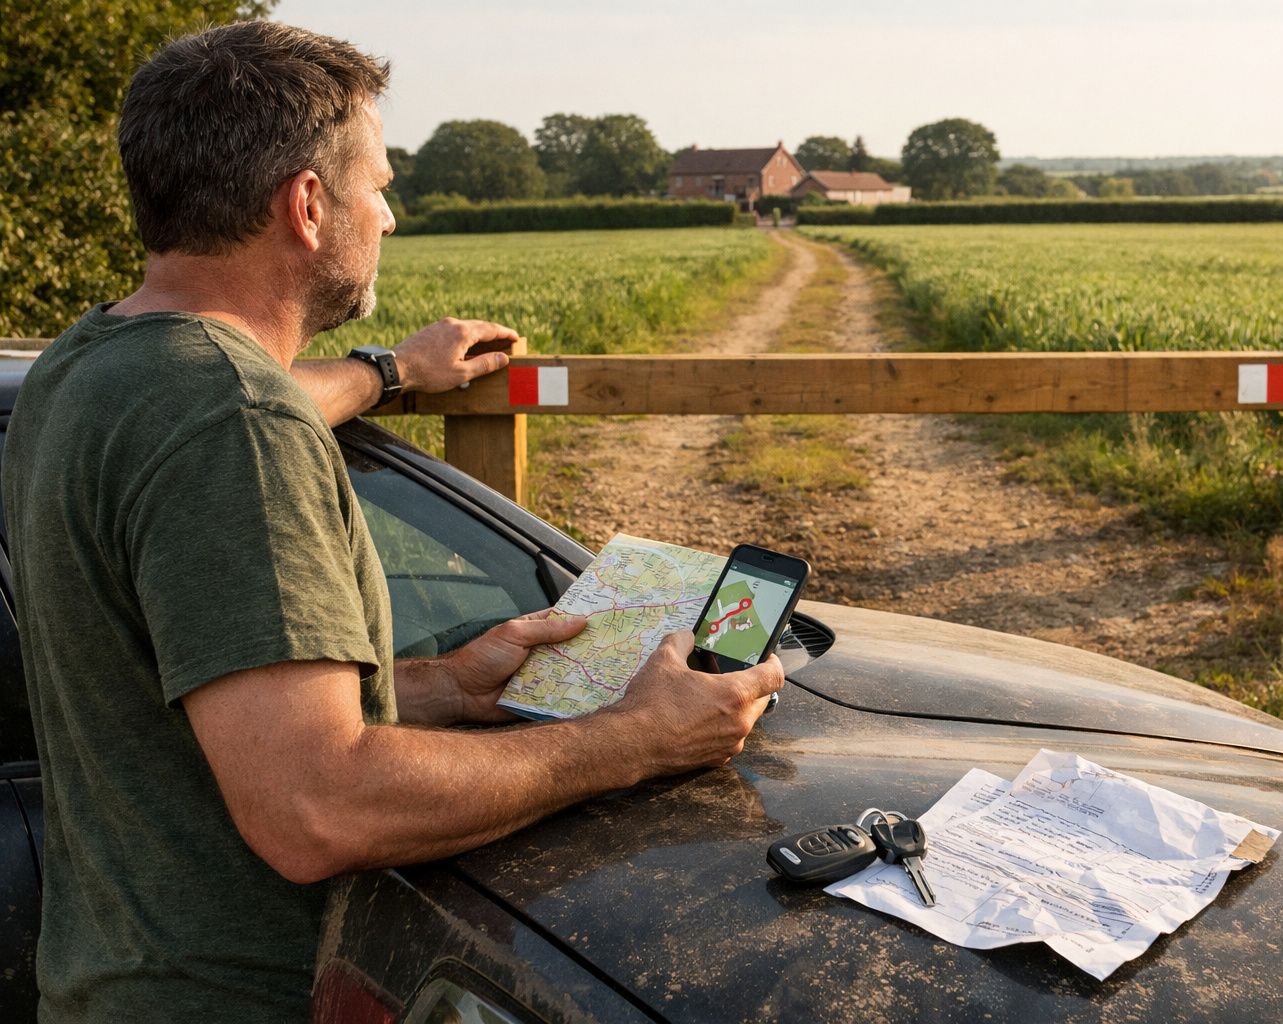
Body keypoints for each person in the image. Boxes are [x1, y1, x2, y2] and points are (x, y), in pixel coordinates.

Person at [0, 20, 783, 1024]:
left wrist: (443, 683)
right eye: (379, 184)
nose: (393, 215)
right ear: (309, 205)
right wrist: (629, 738)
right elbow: (316, 806)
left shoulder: (83, 370)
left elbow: (206, 703)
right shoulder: (230, 424)